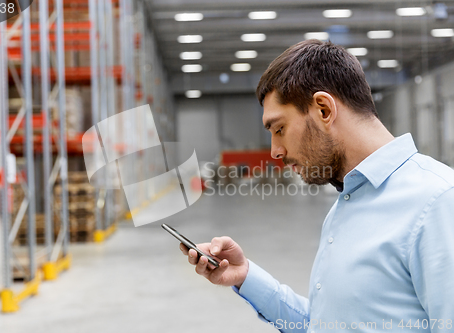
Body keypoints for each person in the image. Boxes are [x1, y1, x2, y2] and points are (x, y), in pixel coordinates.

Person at [179, 39, 454, 333]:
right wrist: (245, 276)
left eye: (279, 129)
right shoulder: (346, 204)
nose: (274, 151)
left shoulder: (437, 202)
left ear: (323, 109)